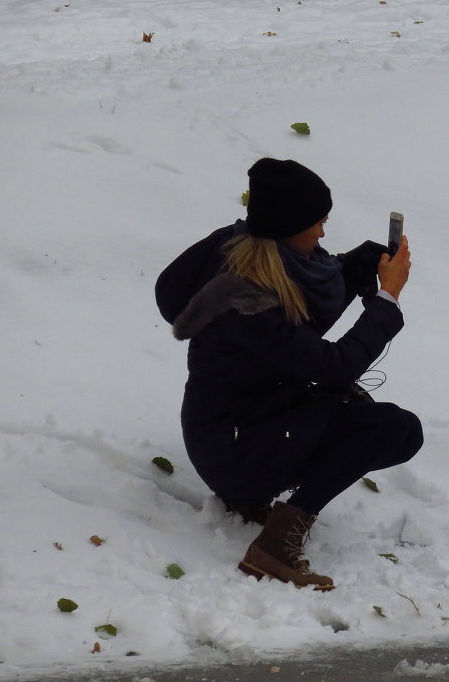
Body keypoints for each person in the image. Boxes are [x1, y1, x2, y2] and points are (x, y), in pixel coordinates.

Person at [156, 158, 423, 589]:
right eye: (317, 224)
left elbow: (302, 313)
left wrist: (357, 266)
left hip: (252, 422)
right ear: (288, 226)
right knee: (393, 428)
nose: (322, 233)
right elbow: (336, 366)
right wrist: (388, 297)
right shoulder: (244, 302)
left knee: (378, 423)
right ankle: (275, 546)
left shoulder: (261, 254)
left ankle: (260, 498)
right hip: (233, 447)